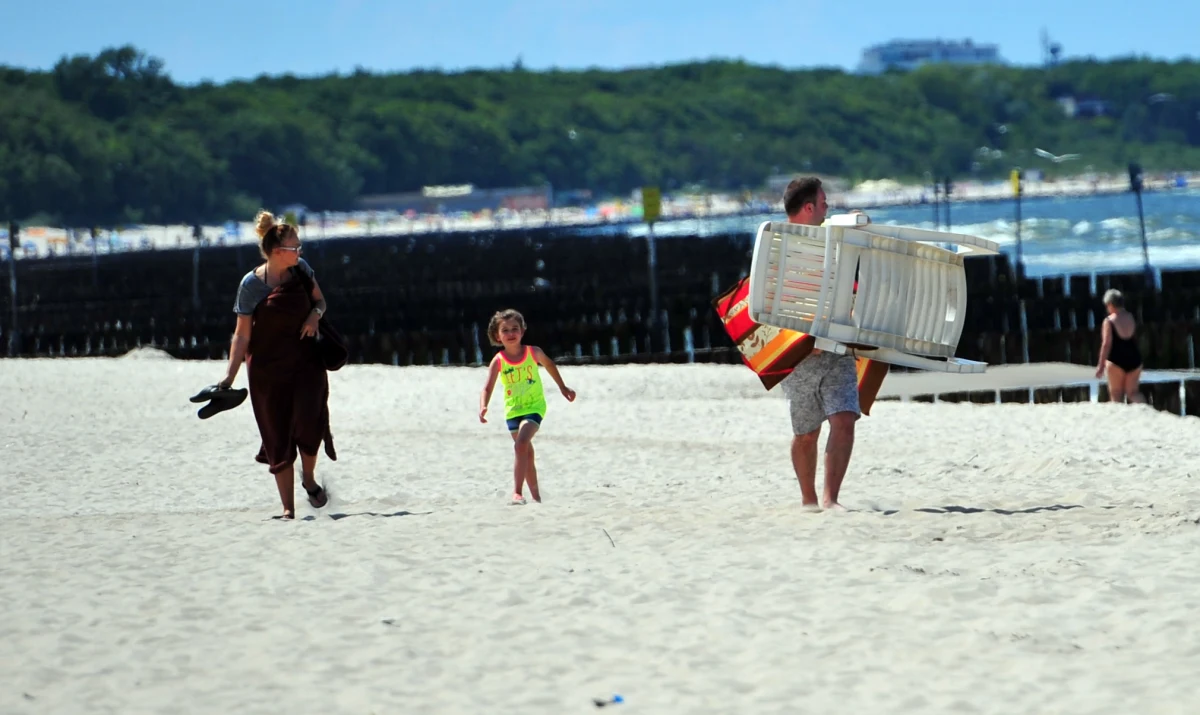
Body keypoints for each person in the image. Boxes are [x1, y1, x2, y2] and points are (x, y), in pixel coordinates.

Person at [218, 210, 335, 519]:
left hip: (306, 362)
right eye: (295, 247)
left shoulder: (301, 271)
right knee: (276, 432)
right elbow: (242, 336)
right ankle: (287, 507)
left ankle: (308, 479)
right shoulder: (251, 285)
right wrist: (229, 377)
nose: (300, 252)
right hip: (267, 369)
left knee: (311, 421)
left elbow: (320, 302)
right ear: (275, 251)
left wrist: (314, 315)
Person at [778, 177, 861, 511]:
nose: (828, 209)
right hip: (800, 354)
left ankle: (831, 498)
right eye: (824, 203)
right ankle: (808, 499)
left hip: (837, 347)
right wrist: (799, 339)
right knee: (806, 432)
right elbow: (769, 301)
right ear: (809, 207)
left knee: (844, 419)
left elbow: (847, 285)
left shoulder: (832, 242)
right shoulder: (779, 246)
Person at [478, 309, 576, 505]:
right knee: (526, 453)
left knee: (521, 444)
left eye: (515, 328)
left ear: (522, 331)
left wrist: (562, 387)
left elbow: (549, 366)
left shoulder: (533, 352)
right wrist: (483, 407)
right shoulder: (498, 361)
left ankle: (516, 492)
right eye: (505, 330)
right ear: (498, 335)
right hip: (513, 410)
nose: (511, 333)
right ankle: (536, 498)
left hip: (534, 407)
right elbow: (487, 388)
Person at [1095, 288, 1145, 404]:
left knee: (1116, 393)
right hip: (1134, 359)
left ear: (1111, 304)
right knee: (1133, 392)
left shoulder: (1109, 321)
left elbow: (1106, 344)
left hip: (1116, 361)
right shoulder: (1131, 317)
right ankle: (1147, 411)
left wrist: (1101, 365)